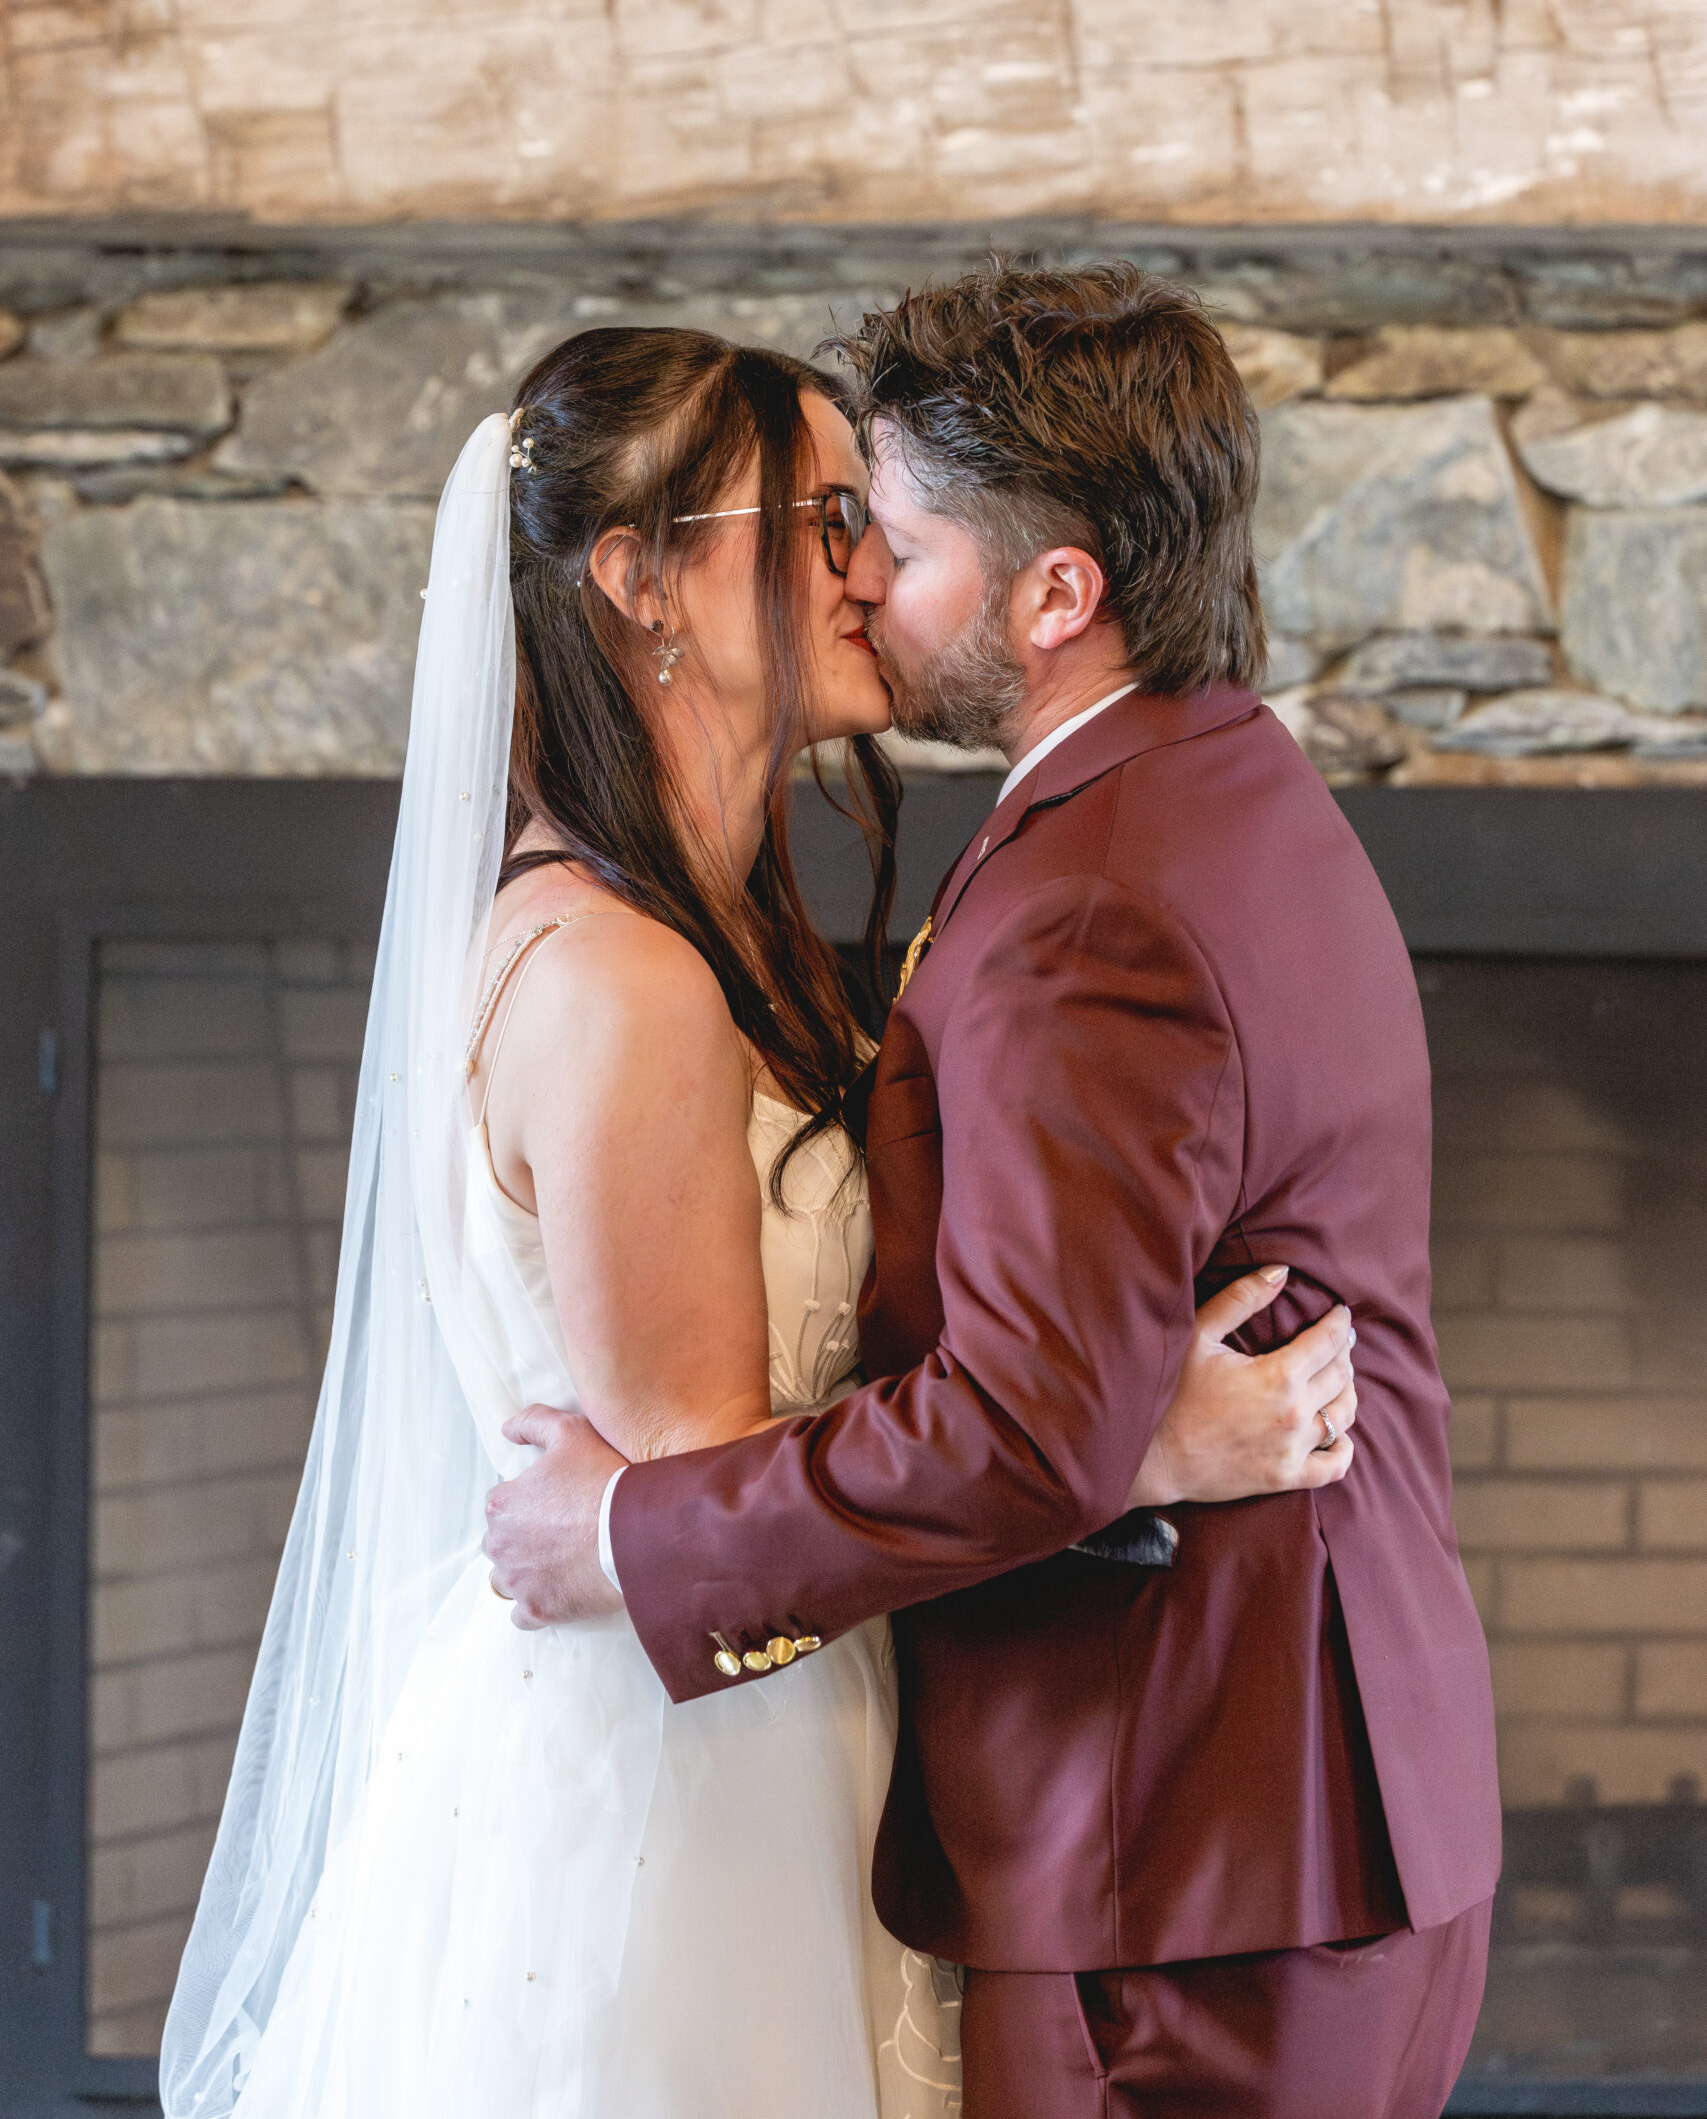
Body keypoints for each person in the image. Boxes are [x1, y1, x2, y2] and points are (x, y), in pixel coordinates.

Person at [160, 323, 1356, 2119]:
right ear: (641, 583)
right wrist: (1130, 1447)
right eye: (817, 516)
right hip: (667, 1788)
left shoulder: (732, 934)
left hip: (790, 1728)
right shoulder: (622, 981)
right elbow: (704, 1482)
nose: (867, 563)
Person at [484, 269, 1504, 2119]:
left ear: (1056, 592)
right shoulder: (1214, 782)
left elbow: (1034, 1425)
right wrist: (1137, 1427)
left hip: (1176, 1858)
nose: (856, 575)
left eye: (893, 534)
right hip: (1273, 1817)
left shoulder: (1090, 897)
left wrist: (631, 1541)